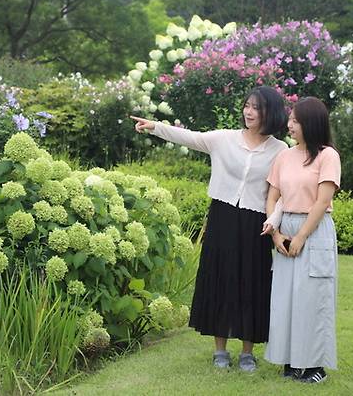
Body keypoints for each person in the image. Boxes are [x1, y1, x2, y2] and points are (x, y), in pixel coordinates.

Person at [131, 86, 287, 372]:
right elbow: (189, 137)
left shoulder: (280, 150)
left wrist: (274, 220)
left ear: (270, 113)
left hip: (257, 222)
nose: (248, 112)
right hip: (223, 217)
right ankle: (220, 350)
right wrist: (154, 127)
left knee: (252, 281)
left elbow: (282, 193)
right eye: (247, 106)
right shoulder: (224, 139)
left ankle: (248, 352)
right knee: (221, 277)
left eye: (256, 108)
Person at [263, 96, 341, 384]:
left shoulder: (328, 156)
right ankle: (290, 360)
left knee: (312, 299)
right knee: (284, 298)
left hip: (314, 229)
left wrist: (301, 236)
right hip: (284, 227)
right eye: (290, 119)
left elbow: (322, 202)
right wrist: (276, 234)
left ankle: (313, 366)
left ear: (310, 123)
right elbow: (272, 197)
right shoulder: (284, 155)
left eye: (295, 120)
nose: (289, 124)